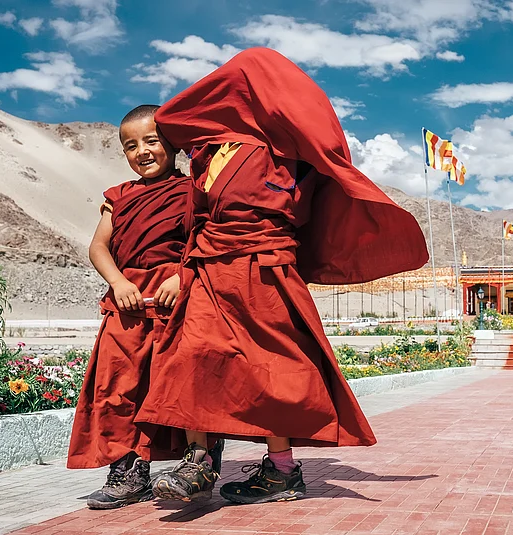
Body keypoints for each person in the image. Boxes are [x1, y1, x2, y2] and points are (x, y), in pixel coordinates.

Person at [134, 47, 429, 505]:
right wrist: (183, 268)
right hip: (208, 271)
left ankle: (282, 471)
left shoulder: (287, 148)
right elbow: (198, 218)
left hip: (262, 274)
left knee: (271, 371)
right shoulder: (208, 151)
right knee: (189, 356)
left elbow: (294, 205)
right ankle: (198, 462)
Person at [67, 105, 192, 509]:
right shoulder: (119, 197)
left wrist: (182, 277)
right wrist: (118, 281)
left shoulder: (193, 192)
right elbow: (98, 247)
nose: (142, 151)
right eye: (130, 145)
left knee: (176, 387)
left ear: (172, 144)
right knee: (117, 387)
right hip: (127, 301)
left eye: (152, 141)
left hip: (175, 302)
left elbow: (204, 243)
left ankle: (197, 463)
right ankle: (127, 471)